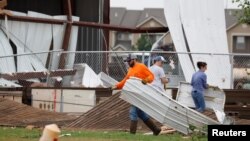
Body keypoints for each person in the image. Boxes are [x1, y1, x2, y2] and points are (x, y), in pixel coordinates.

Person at [112, 54, 161, 135]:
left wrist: (146, 80)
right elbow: (125, 81)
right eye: (127, 61)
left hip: (141, 94)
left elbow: (151, 76)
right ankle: (156, 129)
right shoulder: (130, 69)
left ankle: (132, 134)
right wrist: (116, 86)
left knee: (133, 112)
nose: (128, 62)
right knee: (141, 114)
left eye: (129, 61)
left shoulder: (141, 66)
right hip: (135, 95)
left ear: (134, 59)